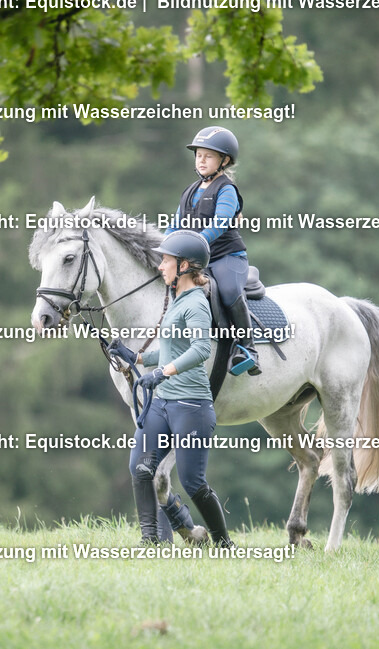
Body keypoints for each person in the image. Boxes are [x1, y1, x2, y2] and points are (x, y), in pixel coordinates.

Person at [110, 230, 234, 547]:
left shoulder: (196, 305)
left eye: (166, 260)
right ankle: (151, 541)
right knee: (140, 467)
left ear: (184, 266)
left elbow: (200, 349)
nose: (160, 266)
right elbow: (169, 348)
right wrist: (136, 356)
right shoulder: (177, 301)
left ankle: (223, 544)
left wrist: (162, 372)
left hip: (190, 406)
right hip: (162, 403)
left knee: (194, 483)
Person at [165, 125, 261, 376]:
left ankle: (248, 348)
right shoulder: (189, 191)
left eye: (208, 156)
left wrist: (194, 247)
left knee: (229, 291)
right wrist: (165, 249)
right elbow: (175, 225)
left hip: (227, 257)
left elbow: (219, 223)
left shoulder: (226, 189)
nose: (202, 160)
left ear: (224, 160)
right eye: (199, 155)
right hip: (197, 260)